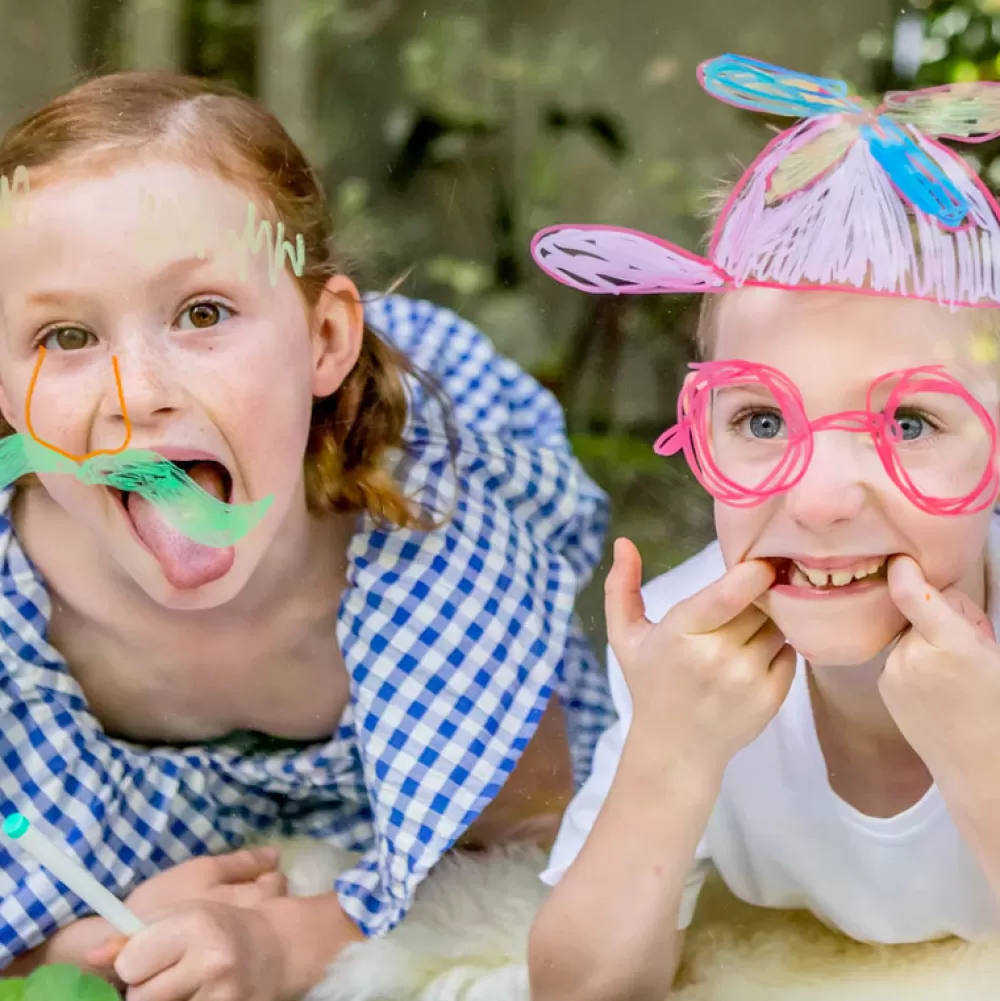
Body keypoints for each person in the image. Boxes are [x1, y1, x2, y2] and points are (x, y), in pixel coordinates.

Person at [0, 71, 613, 999]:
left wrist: (300, 938)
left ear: (323, 340)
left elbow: (556, 840)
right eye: (65, 336)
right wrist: (73, 950)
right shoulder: (14, 632)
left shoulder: (434, 570)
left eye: (203, 313)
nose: (137, 396)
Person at [527, 54, 1000, 1001]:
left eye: (910, 423)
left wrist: (984, 756)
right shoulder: (683, 656)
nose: (820, 500)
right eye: (761, 420)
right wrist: (670, 753)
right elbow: (574, 989)